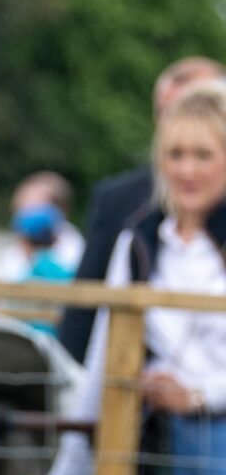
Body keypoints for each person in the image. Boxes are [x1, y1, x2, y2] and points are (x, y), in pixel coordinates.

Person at [62, 81, 226, 475]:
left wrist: (199, 395)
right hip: (158, 450)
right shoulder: (138, 242)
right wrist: (67, 474)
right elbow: (104, 358)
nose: (187, 170)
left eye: (203, 155)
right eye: (176, 154)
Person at [58, 57, 226, 361]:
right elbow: (88, 318)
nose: (187, 169)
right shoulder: (136, 230)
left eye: (203, 108)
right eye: (172, 113)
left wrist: (198, 395)